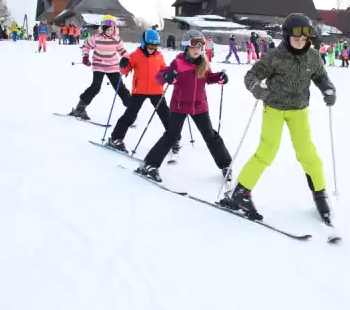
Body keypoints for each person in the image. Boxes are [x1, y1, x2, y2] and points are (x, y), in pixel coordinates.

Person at [219, 13, 336, 224]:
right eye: (296, 38)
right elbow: (251, 76)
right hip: (274, 108)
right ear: (286, 36)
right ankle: (240, 193)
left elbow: (321, 77)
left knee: (308, 154)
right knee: (267, 151)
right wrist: (256, 87)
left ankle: (320, 194)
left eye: (304, 39)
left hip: (298, 111)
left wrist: (328, 89)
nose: (301, 43)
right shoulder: (275, 56)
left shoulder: (313, 57)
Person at [136, 30, 231, 183]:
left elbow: (209, 78)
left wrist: (219, 77)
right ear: (186, 47)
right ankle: (149, 165)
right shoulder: (178, 62)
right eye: (194, 46)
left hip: (199, 106)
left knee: (210, 136)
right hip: (179, 105)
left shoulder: (203, 63)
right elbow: (160, 77)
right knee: (171, 136)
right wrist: (168, 76)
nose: (197, 50)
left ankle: (226, 165)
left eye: (200, 47)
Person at [106, 29, 180, 154]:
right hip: (139, 90)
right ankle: (116, 138)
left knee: (166, 115)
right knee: (130, 115)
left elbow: (163, 71)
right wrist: (123, 64)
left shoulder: (159, 56)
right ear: (144, 43)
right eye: (150, 45)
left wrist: (169, 73)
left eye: (155, 46)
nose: (152, 48)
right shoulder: (135, 55)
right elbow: (124, 70)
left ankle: (174, 138)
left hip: (156, 90)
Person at [68, 15, 131, 120]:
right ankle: (80, 108)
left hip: (112, 66)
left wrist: (126, 59)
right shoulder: (95, 38)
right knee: (96, 87)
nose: (110, 31)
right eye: (108, 29)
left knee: (119, 87)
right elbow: (86, 46)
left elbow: (123, 51)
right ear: (103, 29)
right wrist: (85, 57)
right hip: (99, 66)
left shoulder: (117, 39)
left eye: (112, 29)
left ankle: (131, 109)